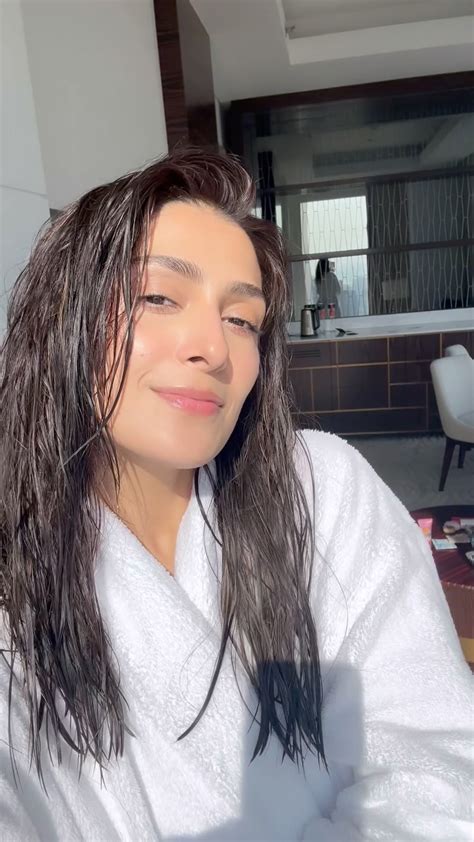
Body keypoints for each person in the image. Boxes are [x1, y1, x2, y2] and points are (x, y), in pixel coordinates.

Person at [0, 147, 472, 841]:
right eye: (159, 297)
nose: (214, 349)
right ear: (62, 318)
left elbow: (441, 757)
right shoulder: (17, 588)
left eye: (242, 320)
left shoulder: (321, 491)